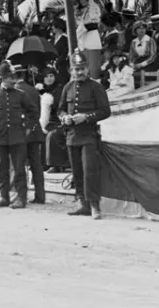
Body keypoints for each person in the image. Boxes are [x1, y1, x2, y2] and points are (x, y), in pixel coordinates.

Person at [57, 50, 111, 219]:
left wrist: (86, 117)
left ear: (87, 69)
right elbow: (59, 109)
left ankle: (94, 205)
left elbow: (105, 111)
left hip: (89, 136)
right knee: (77, 172)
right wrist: (64, 117)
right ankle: (83, 204)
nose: (78, 72)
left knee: (90, 171)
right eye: (75, 69)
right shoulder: (68, 87)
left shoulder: (96, 87)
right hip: (72, 136)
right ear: (70, 70)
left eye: (81, 68)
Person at [0, 62, 39, 209]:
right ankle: (4, 197)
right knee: (2, 170)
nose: (13, 79)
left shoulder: (21, 95)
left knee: (19, 169)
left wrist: (28, 128)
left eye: (14, 76)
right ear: (3, 78)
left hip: (18, 137)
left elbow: (34, 112)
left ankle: (21, 198)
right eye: (9, 77)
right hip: (0, 137)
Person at [14, 64, 45, 204]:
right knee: (36, 164)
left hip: (22, 131)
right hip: (35, 130)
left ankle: (22, 196)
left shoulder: (15, 91)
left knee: (20, 164)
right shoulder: (33, 90)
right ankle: (40, 195)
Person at [37, 67, 68, 173]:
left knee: (52, 135)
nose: (49, 79)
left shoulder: (60, 89)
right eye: (46, 77)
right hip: (49, 122)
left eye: (51, 76)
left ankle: (56, 165)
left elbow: (60, 109)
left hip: (60, 121)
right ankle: (43, 163)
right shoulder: (44, 90)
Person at [75, 0, 103, 80]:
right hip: (82, 38)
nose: (82, 1)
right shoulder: (78, 10)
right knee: (84, 65)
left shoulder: (94, 7)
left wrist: (91, 3)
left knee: (93, 67)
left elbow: (94, 18)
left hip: (92, 36)